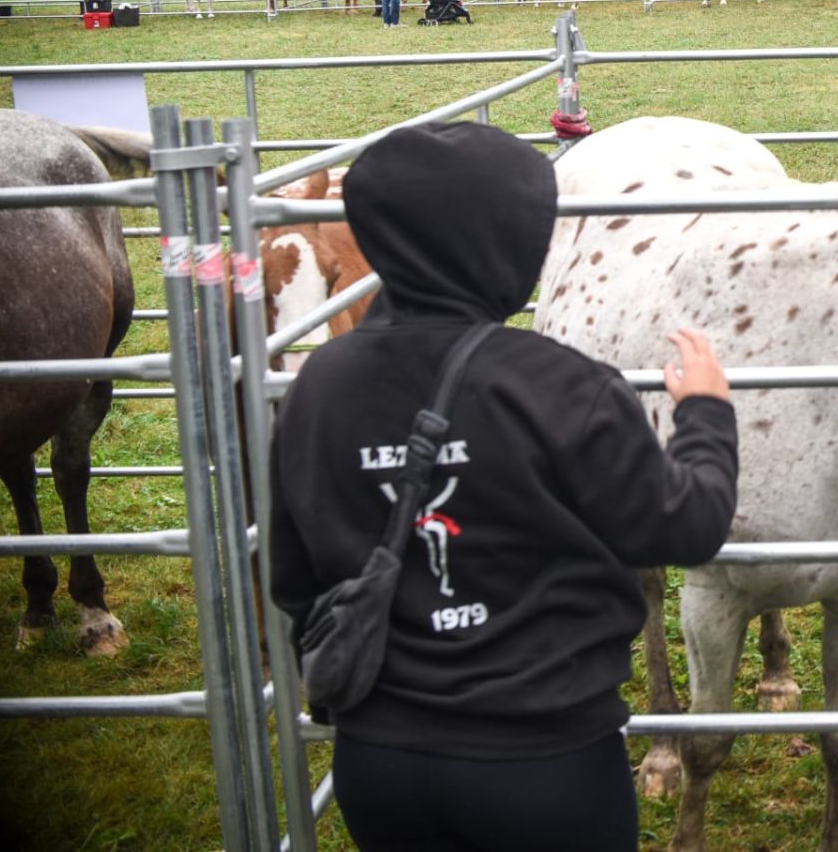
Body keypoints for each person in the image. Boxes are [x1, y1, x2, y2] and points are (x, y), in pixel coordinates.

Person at [269, 121, 739, 852]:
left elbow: (292, 575)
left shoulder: (317, 389)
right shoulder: (563, 387)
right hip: (547, 761)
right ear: (507, 241)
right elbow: (685, 528)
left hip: (380, 764)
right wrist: (705, 415)